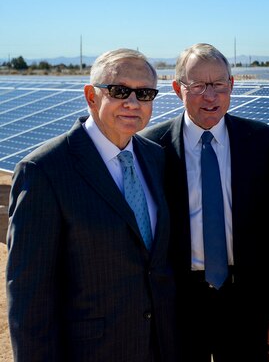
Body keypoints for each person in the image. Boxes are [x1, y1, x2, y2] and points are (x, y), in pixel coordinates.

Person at [6, 49, 176, 361]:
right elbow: (29, 293)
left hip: (159, 348)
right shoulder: (45, 170)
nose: (133, 102)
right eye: (119, 90)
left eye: (145, 93)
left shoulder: (156, 158)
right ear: (91, 95)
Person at [141, 43, 269, 362]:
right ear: (176, 88)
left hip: (246, 301)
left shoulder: (262, 141)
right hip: (178, 302)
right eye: (197, 85)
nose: (210, 96)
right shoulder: (151, 148)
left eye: (219, 85)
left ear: (232, 86)